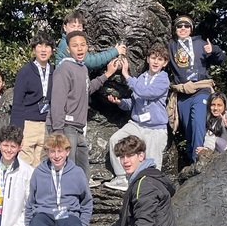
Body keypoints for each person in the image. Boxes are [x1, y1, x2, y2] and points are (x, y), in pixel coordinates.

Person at [48, 30, 120, 181]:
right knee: (68, 175)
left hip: (79, 129)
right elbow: (57, 102)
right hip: (66, 128)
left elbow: (87, 89)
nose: (80, 49)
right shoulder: (64, 69)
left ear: (87, 47)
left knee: (83, 176)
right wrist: (58, 133)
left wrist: (107, 74)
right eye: (75, 46)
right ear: (68, 49)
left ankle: (82, 203)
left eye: (82, 45)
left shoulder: (82, 68)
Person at [104, 43, 170, 191]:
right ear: (147, 59)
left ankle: (152, 191)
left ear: (165, 63)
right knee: (116, 139)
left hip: (155, 129)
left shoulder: (163, 79)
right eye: (153, 58)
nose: (155, 62)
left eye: (159, 59)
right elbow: (134, 102)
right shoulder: (141, 78)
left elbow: (147, 93)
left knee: (152, 164)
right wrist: (120, 102)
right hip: (137, 124)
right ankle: (121, 178)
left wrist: (126, 75)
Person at [167, 15, 226, 162]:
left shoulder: (200, 43)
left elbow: (222, 60)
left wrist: (215, 50)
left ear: (191, 29)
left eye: (186, 26)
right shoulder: (171, 45)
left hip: (201, 89)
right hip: (183, 92)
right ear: (175, 29)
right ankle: (191, 160)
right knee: (188, 129)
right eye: (179, 26)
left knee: (198, 121)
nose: (183, 28)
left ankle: (199, 159)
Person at [10, 33, 55, 167]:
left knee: (42, 166)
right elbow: (17, 103)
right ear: (34, 49)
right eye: (39, 46)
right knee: (24, 165)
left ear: (52, 50)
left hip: (46, 124)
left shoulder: (55, 71)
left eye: (47, 46)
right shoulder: (25, 72)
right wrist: (17, 132)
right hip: (28, 125)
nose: (43, 49)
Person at [54, 9, 125, 68]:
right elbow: (90, 61)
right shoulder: (66, 45)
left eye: (79, 27)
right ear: (65, 27)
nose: (76, 29)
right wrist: (115, 51)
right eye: (73, 26)